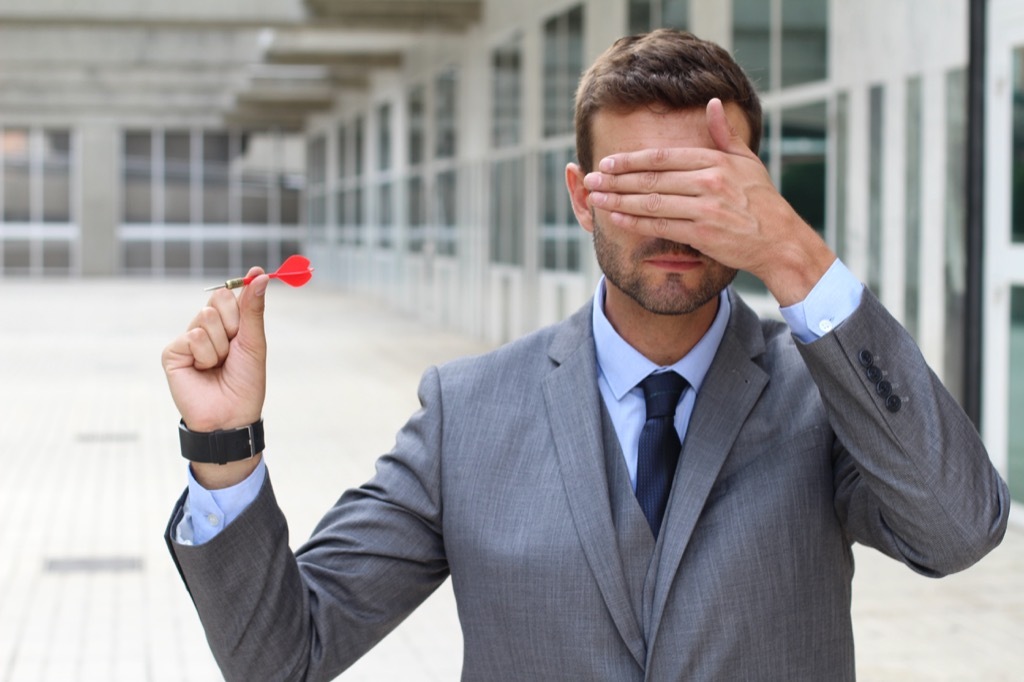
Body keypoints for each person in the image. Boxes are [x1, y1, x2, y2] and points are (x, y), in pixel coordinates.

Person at [162, 29, 1009, 681]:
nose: (673, 223)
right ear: (580, 196)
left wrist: (797, 259)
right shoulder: (468, 413)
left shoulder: (823, 396)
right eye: (640, 187)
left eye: (703, 188)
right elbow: (284, 655)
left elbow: (961, 531)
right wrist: (224, 451)